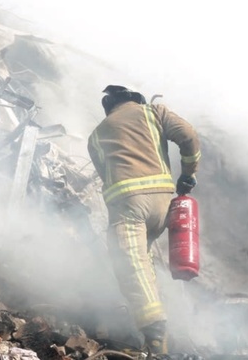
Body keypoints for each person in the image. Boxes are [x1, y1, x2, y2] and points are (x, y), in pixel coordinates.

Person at [87, 85, 201, 354]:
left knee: (131, 264)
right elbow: (189, 136)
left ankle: (155, 336)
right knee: (145, 261)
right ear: (135, 99)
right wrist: (188, 173)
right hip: (163, 205)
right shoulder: (154, 113)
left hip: (129, 207)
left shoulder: (96, 136)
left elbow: (107, 174)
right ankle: (161, 330)